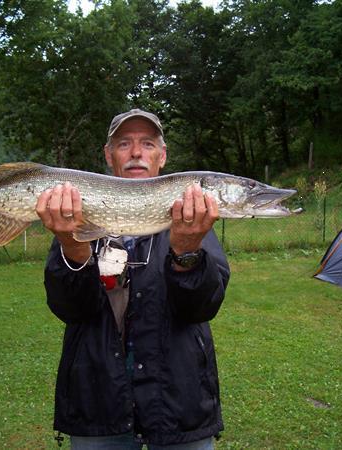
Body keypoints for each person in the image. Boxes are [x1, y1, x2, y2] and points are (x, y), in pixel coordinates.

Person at [36, 109, 230, 449]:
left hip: (177, 405)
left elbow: (202, 307)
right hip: (97, 402)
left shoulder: (190, 217)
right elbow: (70, 308)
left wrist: (186, 250)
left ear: (162, 156)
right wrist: (72, 243)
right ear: (109, 156)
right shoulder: (76, 213)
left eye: (148, 143)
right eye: (124, 143)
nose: (137, 153)